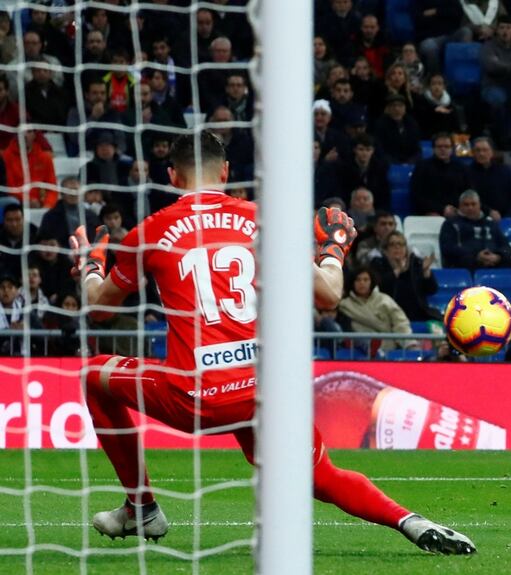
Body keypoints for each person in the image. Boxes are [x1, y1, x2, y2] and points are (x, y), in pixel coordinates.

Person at [69, 131, 474, 554]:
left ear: (172, 176)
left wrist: (92, 265)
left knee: (94, 375)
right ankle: (410, 522)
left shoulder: (153, 230)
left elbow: (97, 307)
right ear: (226, 172)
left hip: (195, 395)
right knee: (319, 477)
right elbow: (330, 295)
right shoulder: (263, 220)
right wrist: (333, 249)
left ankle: (141, 507)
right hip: (263, 393)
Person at [438, 190, 511, 276]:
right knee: (464, 262)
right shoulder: (451, 224)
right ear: (460, 206)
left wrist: (498, 257)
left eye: (473, 204)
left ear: (479, 205)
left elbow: (506, 246)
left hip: (493, 262)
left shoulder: (490, 224)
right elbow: (448, 248)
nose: (470, 207)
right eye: (466, 205)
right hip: (469, 262)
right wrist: (476, 256)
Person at [337, 267, 418, 354]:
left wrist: (409, 343)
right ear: (352, 283)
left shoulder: (385, 300)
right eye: (358, 280)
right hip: (360, 351)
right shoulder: (344, 304)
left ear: (371, 282)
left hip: (389, 348)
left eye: (365, 280)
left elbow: (400, 323)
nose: (362, 283)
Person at [369, 231, 441, 322]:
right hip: (389, 314)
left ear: (406, 249)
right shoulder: (378, 264)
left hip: (417, 313)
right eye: (392, 244)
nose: (397, 247)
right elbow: (379, 287)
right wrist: (397, 271)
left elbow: (432, 289)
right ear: (386, 250)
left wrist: (426, 271)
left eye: (400, 244)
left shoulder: (415, 263)